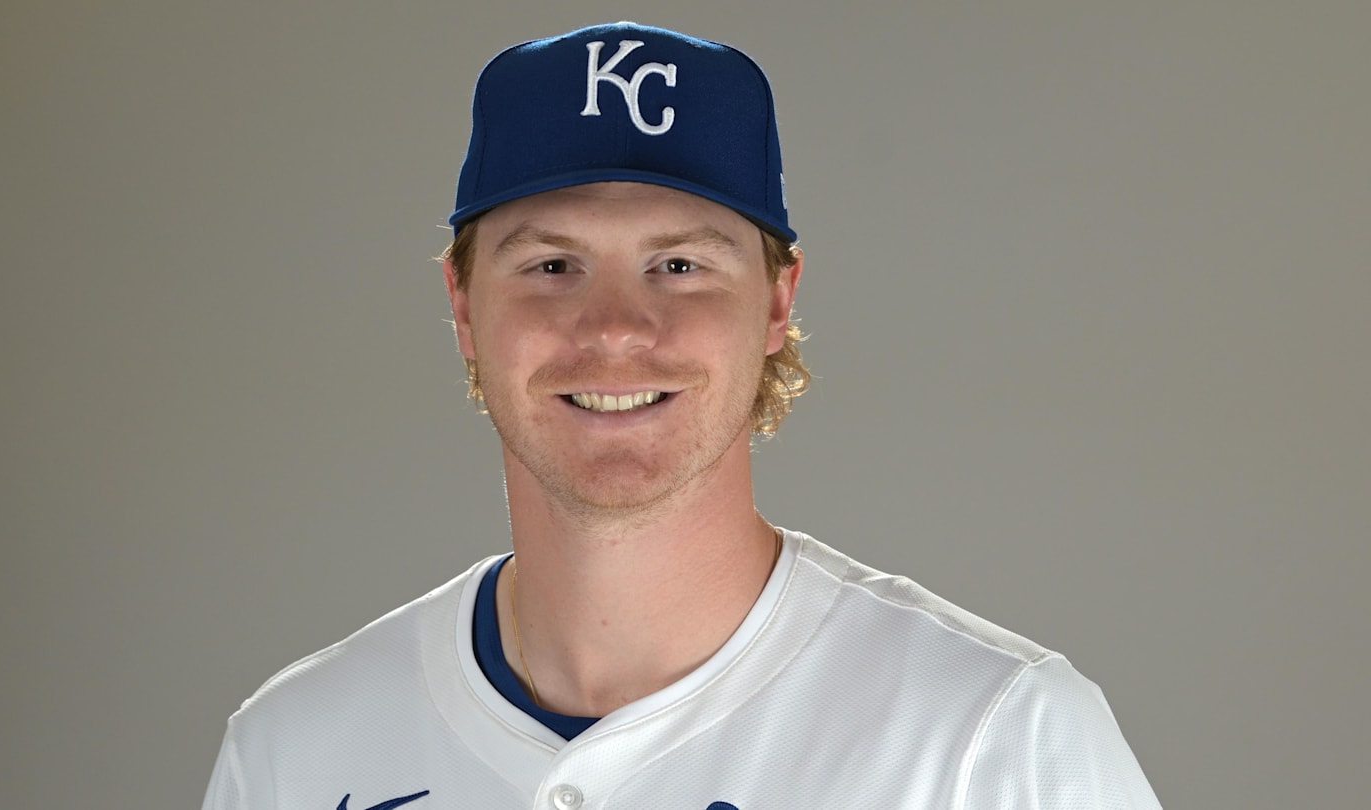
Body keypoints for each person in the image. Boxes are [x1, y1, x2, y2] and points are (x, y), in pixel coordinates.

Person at [202, 22, 1160, 810]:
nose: (616, 328)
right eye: (550, 266)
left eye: (680, 265)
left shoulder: (989, 744)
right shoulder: (293, 755)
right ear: (461, 308)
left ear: (779, 302)